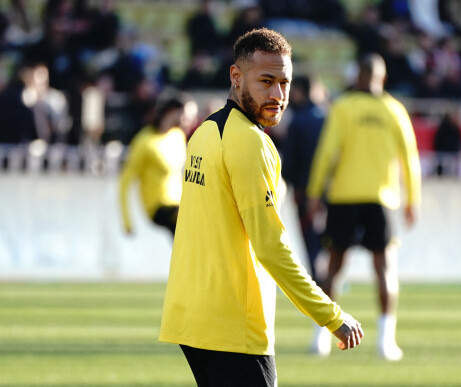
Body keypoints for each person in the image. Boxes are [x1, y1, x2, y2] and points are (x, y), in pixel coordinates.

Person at [159, 28, 364, 387]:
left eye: (284, 83)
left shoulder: (205, 132)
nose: (278, 95)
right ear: (236, 77)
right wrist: (330, 315)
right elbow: (271, 247)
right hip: (232, 326)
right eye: (266, 81)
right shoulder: (251, 144)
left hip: (191, 319)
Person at [307, 53, 421, 361]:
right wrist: (413, 199)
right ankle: (386, 341)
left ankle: (321, 337)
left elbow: (326, 152)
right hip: (381, 198)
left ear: (357, 76)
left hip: (344, 196)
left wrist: (315, 191)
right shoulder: (394, 110)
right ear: (382, 78)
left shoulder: (343, 107)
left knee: (333, 266)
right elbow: (410, 159)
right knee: (384, 267)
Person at [118, 98, 186, 236]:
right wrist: (126, 220)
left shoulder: (178, 135)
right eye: (182, 113)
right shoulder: (144, 141)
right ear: (170, 112)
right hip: (157, 206)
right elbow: (125, 181)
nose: (186, 118)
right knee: (186, 219)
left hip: (179, 202)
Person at [281, 75, 326, 283]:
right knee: (327, 236)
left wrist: (287, 182)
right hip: (330, 190)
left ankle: (319, 282)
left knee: (310, 238)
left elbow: (290, 160)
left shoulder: (298, 121)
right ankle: (330, 279)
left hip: (304, 189)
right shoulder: (328, 118)